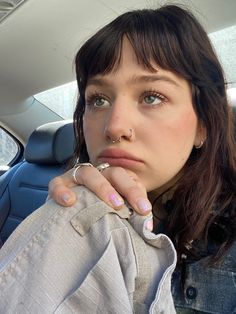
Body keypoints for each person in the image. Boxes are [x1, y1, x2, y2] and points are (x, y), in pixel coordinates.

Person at [48, 4, 236, 314]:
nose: (114, 127)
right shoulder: (74, 204)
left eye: (152, 97)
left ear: (203, 123)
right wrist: (61, 225)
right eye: (98, 99)